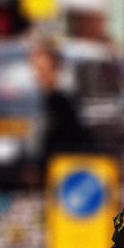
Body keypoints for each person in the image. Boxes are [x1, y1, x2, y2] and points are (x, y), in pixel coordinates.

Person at [29, 40, 94, 170]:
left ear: (56, 69)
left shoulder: (61, 101)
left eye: (44, 70)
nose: (39, 75)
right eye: (36, 69)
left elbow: (65, 138)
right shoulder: (43, 99)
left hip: (61, 166)